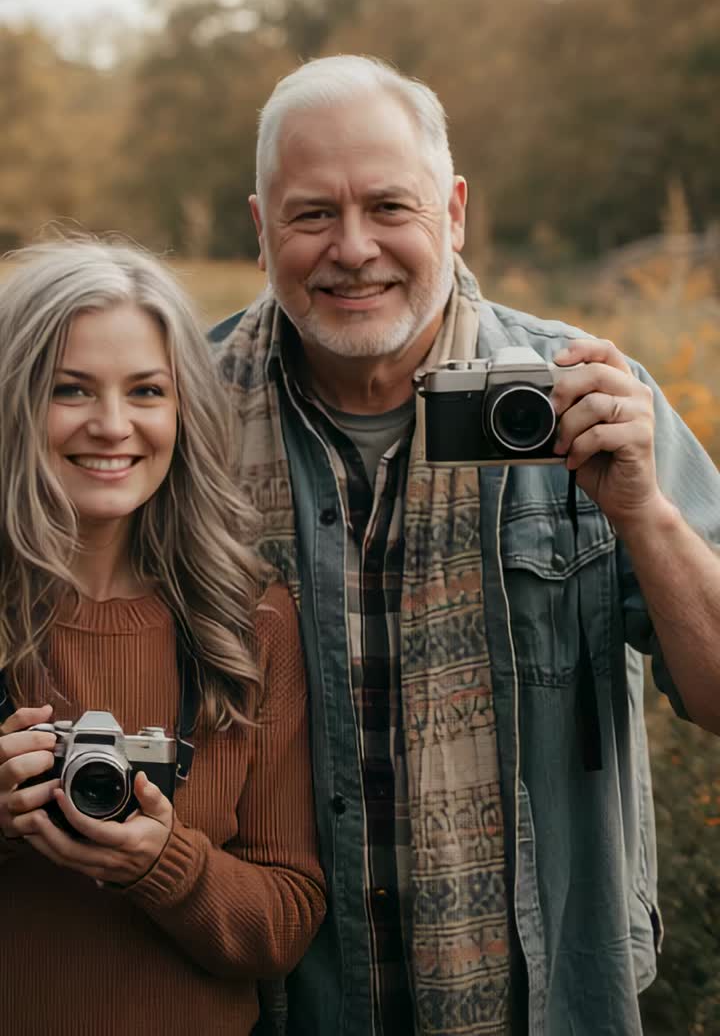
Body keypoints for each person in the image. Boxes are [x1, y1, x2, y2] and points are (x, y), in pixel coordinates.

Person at [210, 53, 720, 1036]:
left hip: (543, 998)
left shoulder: (587, 396)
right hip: (276, 1002)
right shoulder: (179, 414)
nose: (353, 248)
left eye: (388, 206)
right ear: (261, 227)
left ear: (452, 211)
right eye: (313, 214)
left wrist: (645, 514)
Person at [0, 239, 325, 1036]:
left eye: (147, 390)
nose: (113, 426)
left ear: (185, 411)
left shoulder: (250, 622)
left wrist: (163, 864)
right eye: (70, 389)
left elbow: (285, 922)